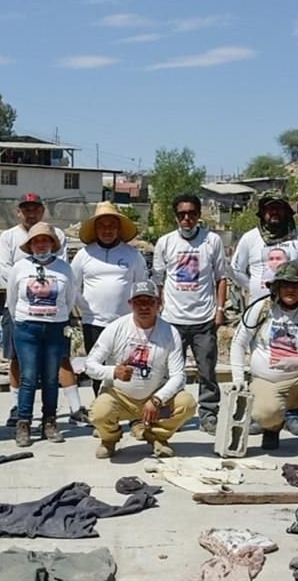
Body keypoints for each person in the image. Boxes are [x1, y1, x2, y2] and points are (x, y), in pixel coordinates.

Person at [229, 262, 298, 458]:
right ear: (277, 287)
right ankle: (272, 427)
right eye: (285, 285)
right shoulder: (260, 307)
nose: (291, 290)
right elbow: (238, 343)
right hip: (266, 380)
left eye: (296, 285)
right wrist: (238, 378)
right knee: (265, 414)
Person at [231, 192, 298, 437]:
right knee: (259, 360)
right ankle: (264, 414)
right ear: (262, 212)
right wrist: (255, 288)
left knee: (293, 354)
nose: (274, 213)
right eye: (269, 209)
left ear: (287, 212)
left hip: (295, 309)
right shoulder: (250, 239)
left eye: (279, 209)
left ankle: (291, 414)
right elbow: (236, 269)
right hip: (260, 312)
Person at [85, 280, 197, 459]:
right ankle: (109, 440)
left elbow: (178, 375)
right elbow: (90, 365)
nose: (144, 307)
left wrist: (158, 399)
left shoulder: (170, 332)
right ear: (130, 304)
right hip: (119, 395)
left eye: (149, 302)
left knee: (187, 404)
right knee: (99, 413)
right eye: (139, 302)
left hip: (153, 396)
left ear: (159, 303)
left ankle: (157, 436)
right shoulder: (115, 328)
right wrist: (113, 371)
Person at [0, 193, 79, 426]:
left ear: (42, 210)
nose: (30, 212)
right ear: (18, 211)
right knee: (20, 365)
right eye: (26, 208)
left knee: (57, 365)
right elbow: (7, 278)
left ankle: (56, 416)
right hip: (22, 314)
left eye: (35, 208)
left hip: (55, 318)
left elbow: (69, 292)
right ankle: (20, 412)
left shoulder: (59, 236)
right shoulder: (8, 237)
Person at [152, 194, 227, 434]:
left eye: (192, 214)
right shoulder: (165, 242)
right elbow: (159, 280)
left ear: (198, 215)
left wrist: (220, 310)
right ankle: (174, 414)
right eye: (182, 214)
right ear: (175, 216)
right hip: (172, 320)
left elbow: (221, 278)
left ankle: (208, 414)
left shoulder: (212, 241)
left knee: (207, 371)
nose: (187, 219)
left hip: (203, 319)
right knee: (171, 372)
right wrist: (158, 311)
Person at [7, 222, 78, 447]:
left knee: (50, 377)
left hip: (55, 328)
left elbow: (70, 298)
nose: (41, 245)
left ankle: (50, 422)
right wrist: (23, 318)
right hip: (27, 327)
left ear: (52, 243)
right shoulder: (20, 267)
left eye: (45, 240)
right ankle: (24, 423)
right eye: (36, 241)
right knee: (28, 376)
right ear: (30, 245)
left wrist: (58, 317)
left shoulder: (64, 269)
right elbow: (11, 300)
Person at [72, 202, 148, 399]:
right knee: (97, 368)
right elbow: (72, 286)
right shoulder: (84, 254)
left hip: (125, 323)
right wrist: (84, 308)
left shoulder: (133, 255)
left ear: (118, 228)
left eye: (111, 225)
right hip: (93, 322)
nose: (107, 230)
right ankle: (102, 408)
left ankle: (129, 410)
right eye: (102, 226)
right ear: (95, 229)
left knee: (128, 368)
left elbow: (142, 287)